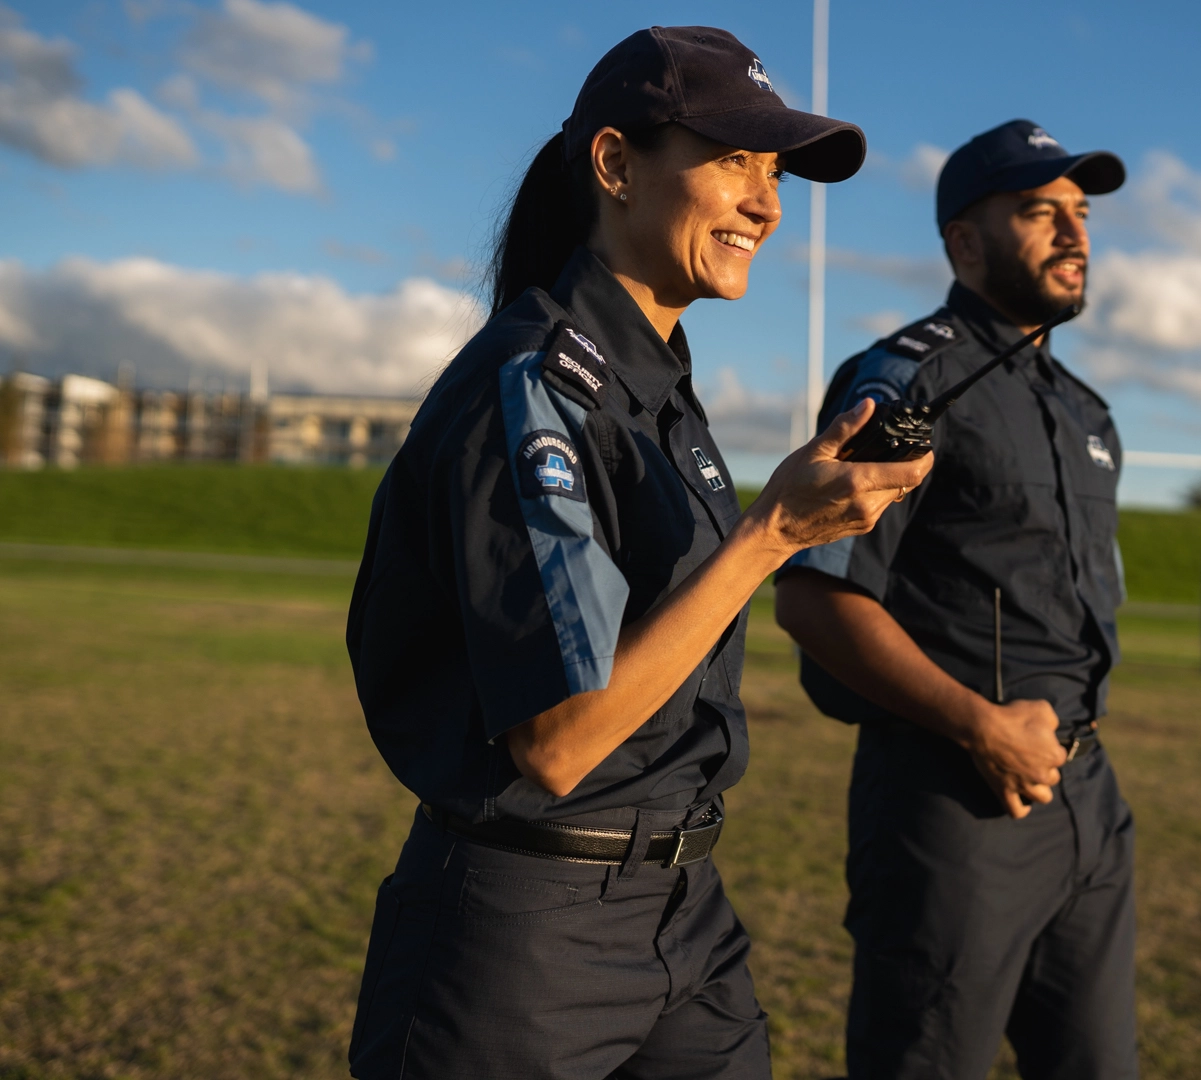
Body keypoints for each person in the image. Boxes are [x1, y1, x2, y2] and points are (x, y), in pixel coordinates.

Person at [344, 27, 930, 1080]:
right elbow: (561, 742)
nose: (768, 203)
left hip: (684, 913)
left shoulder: (657, 389)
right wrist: (774, 535)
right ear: (616, 166)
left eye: (775, 169)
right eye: (734, 160)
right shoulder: (529, 386)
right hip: (526, 941)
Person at [775, 119, 1137, 1080]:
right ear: (964, 242)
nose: (1074, 233)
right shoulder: (906, 387)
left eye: (1081, 212)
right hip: (952, 805)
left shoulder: (1084, 410)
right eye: (1038, 211)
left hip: (1085, 799)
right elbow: (814, 597)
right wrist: (979, 725)